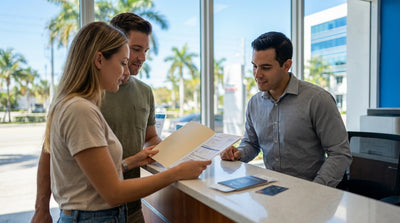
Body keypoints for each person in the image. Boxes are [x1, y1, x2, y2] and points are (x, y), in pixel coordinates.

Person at [31, 21, 211, 223]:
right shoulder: (80, 109)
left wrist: (130, 162)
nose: (126, 72)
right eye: (123, 62)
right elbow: (113, 192)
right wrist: (175, 174)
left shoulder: (78, 104)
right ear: (99, 59)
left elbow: (94, 172)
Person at [220, 31, 352, 187]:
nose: (257, 74)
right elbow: (252, 144)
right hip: (271, 190)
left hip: (311, 192)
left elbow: (340, 154)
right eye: (255, 66)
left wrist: (316, 189)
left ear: (287, 65)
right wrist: (238, 153)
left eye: (266, 67)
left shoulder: (317, 99)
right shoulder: (254, 104)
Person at [100, 13, 161, 222]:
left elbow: (150, 137)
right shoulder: (90, 92)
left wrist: (171, 149)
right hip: (96, 208)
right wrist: (41, 205)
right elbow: (50, 152)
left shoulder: (145, 92)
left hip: (134, 208)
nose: (142, 58)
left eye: (145, 51)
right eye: (136, 49)